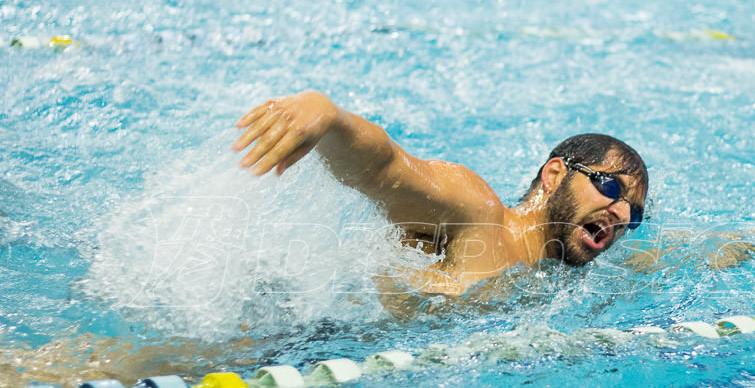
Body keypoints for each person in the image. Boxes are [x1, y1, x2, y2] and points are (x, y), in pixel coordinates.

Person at [232, 90, 649, 296]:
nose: (619, 213)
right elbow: (385, 169)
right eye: (609, 187)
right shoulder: (477, 213)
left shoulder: (559, 280)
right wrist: (329, 116)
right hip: (295, 334)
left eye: (633, 212)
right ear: (554, 174)